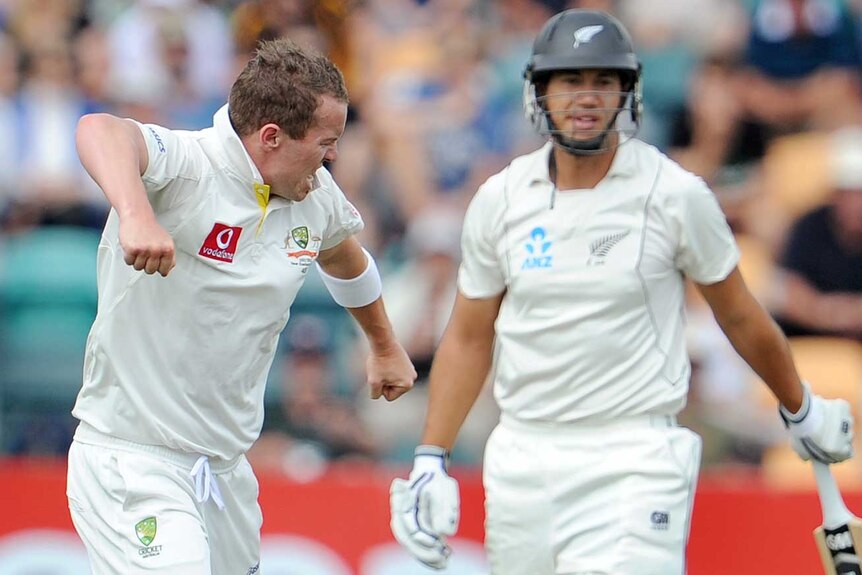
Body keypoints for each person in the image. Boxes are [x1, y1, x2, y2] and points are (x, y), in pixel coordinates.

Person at [388, 9, 854, 574]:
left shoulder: (674, 195)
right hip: (523, 456)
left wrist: (800, 408)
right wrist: (430, 459)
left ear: (627, 92)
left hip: (635, 456)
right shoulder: (501, 199)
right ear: (540, 91)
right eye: (570, 80)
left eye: (603, 80)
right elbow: (467, 336)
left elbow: (741, 317)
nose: (587, 96)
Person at [67, 38, 416, 574]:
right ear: (272, 137)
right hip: (133, 460)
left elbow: (348, 260)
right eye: (327, 141)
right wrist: (135, 214)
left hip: (224, 472)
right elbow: (99, 130)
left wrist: (384, 345)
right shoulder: (188, 164)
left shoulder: (313, 195)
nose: (334, 156)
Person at [773, 126, 862, 341]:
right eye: (849, 194)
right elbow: (788, 291)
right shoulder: (809, 226)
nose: (856, 204)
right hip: (808, 339)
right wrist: (826, 313)